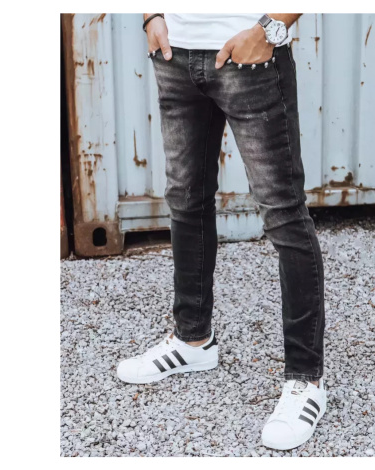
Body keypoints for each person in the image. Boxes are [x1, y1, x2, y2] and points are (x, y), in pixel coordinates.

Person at [117, 13, 326, 451]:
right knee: (185, 200)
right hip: (175, 55)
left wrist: (270, 29)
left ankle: (306, 379)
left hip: (250, 57)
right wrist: (151, 16)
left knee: (283, 214)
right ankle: (193, 340)